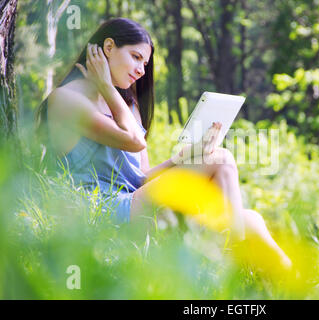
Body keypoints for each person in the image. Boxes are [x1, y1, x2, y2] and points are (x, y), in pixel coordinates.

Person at [36, 18, 291, 269]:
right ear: (109, 47)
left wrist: (186, 157)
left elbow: (141, 179)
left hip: (135, 204)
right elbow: (134, 142)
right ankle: (232, 269)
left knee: (251, 220)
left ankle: (305, 289)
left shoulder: (127, 105)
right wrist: (105, 86)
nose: (141, 70)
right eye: (136, 57)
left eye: (145, 63)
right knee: (221, 159)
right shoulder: (66, 99)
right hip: (104, 214)